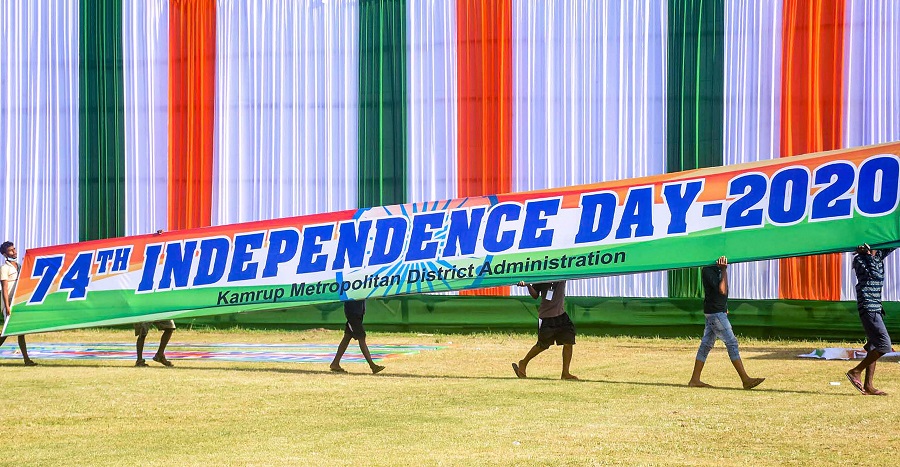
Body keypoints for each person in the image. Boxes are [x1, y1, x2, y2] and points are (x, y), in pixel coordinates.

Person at [688, 256, 764, 389]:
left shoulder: (714, 269)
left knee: (705, 346)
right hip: (715, 313)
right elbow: (722, 290)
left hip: (715, 312)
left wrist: (724, 307)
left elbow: (718, 293)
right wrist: (723, 270)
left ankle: (695, 379)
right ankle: (745, 380)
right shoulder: (709, 269)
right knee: (731, 343)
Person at [846, 243, 894, 396]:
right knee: (884, 345)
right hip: (868, 307)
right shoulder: (860, 260)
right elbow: (875, 274)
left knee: (874, 345)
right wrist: (867, 255)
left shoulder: (878, 255)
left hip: (876, 308)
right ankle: (855, 371)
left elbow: (892, 243)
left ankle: (868, 386)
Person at [512, 280, 578, 380]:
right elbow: (535, 295)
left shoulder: (562, 273)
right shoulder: (542, 276)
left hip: (561, 314)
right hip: (547, 316)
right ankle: (523, 363)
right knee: (542, 345)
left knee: (568, 342)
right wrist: (528, 285)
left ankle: (565, 373)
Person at [0, 241, 36, 366]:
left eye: (14, 249)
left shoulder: (19, 266)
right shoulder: (4, 268)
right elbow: (4, 289)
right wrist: (7, 306)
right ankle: (26, 359)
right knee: (6, 331)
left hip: (19, 301)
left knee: (21, 331)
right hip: (9, 303)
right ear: (5, 254)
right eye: (11, 250)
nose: (14, 252)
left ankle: (26, 359)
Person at [330, 299, 385, 374]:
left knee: (347, 337)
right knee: (361, 337)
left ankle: (335, 363)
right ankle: (372, 366)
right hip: (353, 313)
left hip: (357, 312)